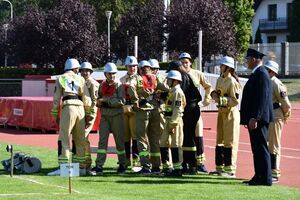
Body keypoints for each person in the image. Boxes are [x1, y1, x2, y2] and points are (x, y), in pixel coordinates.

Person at [48, 58, 91, 176]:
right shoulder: (81, 79)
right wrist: (88, 115)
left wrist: (55, 114)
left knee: (64, 138)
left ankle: (65, 168)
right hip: (80, 108)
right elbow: (87, 98)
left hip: (68, 107)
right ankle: (81, 168)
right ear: (76, 68)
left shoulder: (61, 78)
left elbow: (56, 98)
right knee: (80, 139)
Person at [127, 60, 168, 175]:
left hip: (142, 111)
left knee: (142, 139)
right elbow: (167, 88)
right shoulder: (156, 78)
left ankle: (146, 166)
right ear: (150, 68)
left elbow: (130, 87)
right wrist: (160, 97)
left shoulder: (137, 78)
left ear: (140, 69)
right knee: (155, 139)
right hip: (155, 110)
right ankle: (156, 166)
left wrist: (135, 101)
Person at [240, 48, 273, 186]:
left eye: (247, 59)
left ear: (254, 59)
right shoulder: (257, 73)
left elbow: (262, 99)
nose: (246, 62)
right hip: (253, 118)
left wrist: (255, 117)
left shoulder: (262, 74)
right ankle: (258, 175)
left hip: (258, 119)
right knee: (256, 149)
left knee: (261, 148)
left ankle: (265, 178)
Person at [89, 62, 127, 175]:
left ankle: (122, 164)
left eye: (114, 74)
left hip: (117, 116)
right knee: (102, 142)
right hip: (105, 116)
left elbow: (121, 101)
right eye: (110, 74)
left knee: (119, 142)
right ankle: (99, 165)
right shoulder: (102, 85)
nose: (112, 76)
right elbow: (99, 97)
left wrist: (106, 101)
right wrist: (98, 102)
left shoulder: (119, 85)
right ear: (105, 74)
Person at [179, 52, 212, 174]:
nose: (184, 64)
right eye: (182, 62)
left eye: (186, 62)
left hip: (194, 110)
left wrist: (205, 102)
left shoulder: (197, 74)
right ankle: (185, 162)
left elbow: (208, 87)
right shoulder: (178, 75)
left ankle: (200, 162)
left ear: (190, 63)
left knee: (198, 135)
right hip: (182, 110)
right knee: (183, 136)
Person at [210, 56, 241, 178]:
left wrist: (220, 100)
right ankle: (220, 167)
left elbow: (234, 101)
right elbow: (218, 92)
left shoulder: (232, 82)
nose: (220, 67)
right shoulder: (220, 79)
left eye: (222, 65)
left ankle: (230, 169)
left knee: (230, 141)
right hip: (221, 113)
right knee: (220, 140)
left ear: (228, 68)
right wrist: (214, 95)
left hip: (230, 114)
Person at [264, 60, 292, 183]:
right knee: (267, 143)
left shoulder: (276, 83)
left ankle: (274, 172)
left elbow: (286, 104)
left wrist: (285, 115)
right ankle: (268, 170)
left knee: (273, 145)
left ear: (272, 71)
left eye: (267, 69)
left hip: (275, 116)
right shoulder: (267, 82)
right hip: (268, 115)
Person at [160, 68, 186, 177]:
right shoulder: (172, 91)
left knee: (176, 144)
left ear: (175, 81)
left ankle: (177, 168)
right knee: (163, 142)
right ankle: (166, 166)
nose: (167, 81)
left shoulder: (177, 92)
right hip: (168, 120)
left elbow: (178, 109)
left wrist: (173, 124)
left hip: (175, 122)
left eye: (169, 79)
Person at [120, 56, 140, 169]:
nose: (132, 68)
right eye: (130, 66)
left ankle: (136, 161)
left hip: (135, 109)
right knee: (125, 137)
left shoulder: (140, 79)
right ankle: (127, 160)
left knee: (135, 136)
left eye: (134, 66)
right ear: (126, 67)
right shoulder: (121, 79)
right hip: (124, 109)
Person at [79, 62, 100, 170]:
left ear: (90, 72)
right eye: (83, 70)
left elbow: (94, 101)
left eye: (87, 71)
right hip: (81, 113)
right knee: (82, 138)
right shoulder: (81, 82)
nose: (85, 72)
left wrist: (90, 116)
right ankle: (84, 162)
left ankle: (86, 164)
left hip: (89, 114)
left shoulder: (92, 83)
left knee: (82, 137)